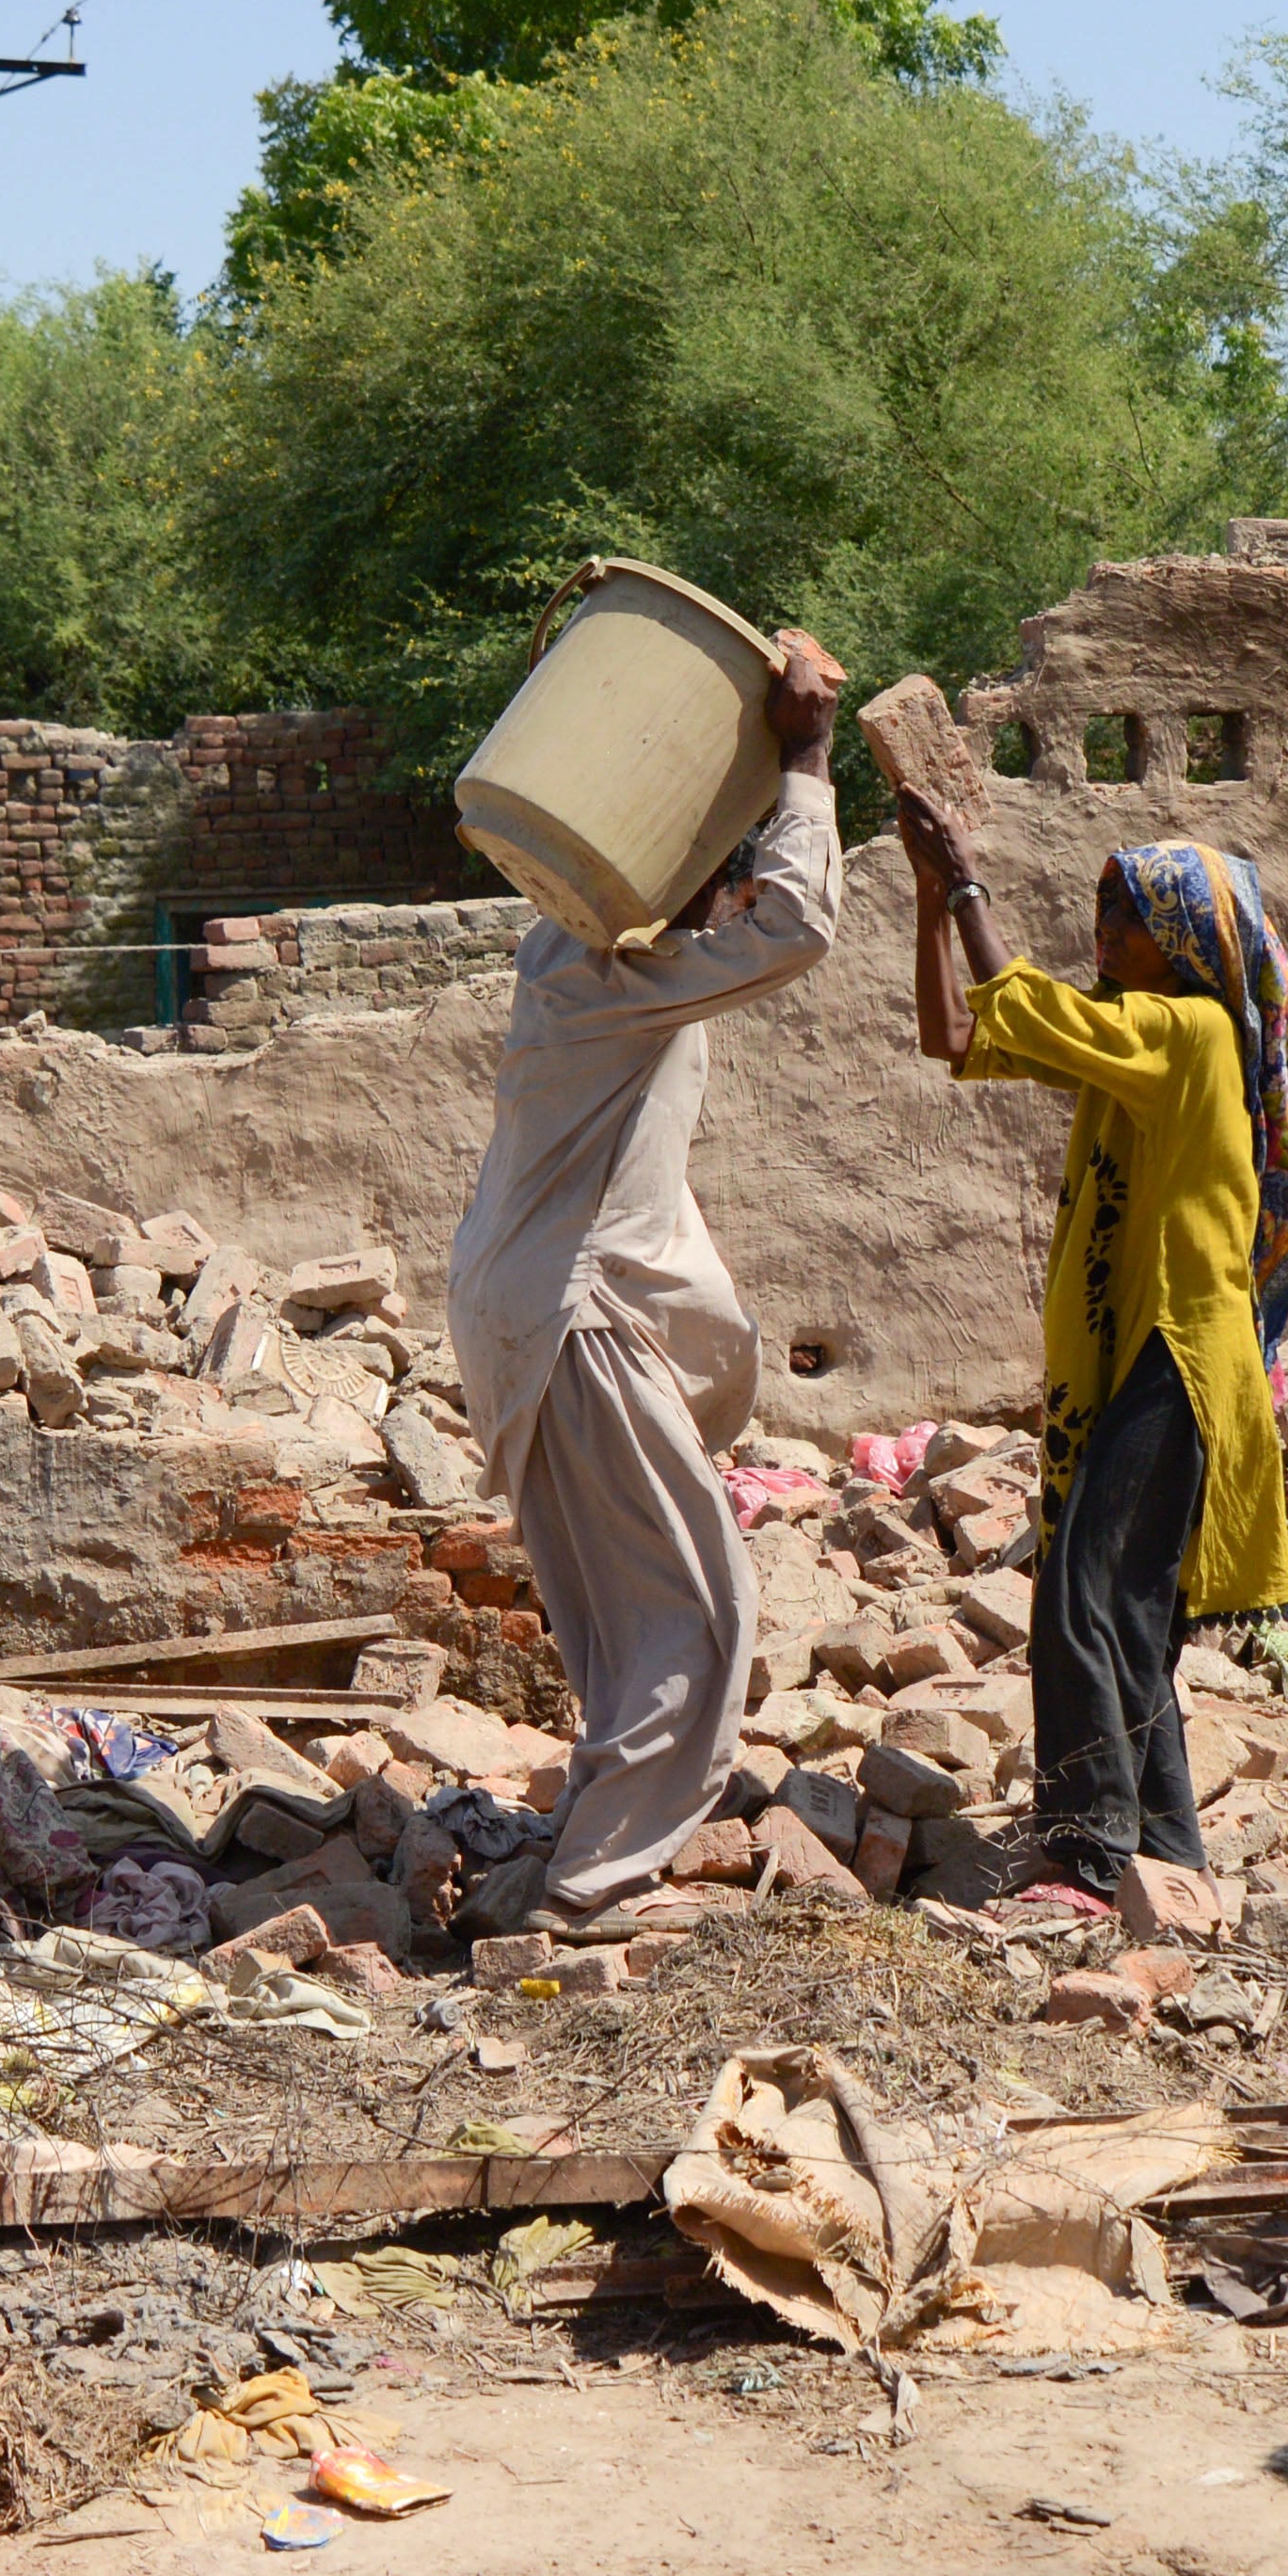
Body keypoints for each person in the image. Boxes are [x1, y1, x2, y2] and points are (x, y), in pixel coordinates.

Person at [893, 787, 1288, 1909]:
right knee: (1128, 1605)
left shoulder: (1188, 1033)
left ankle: (1091, 1849)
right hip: (1141, 1355)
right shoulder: (1130, 1040)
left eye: (1125, 919)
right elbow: (957, 1032)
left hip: (1180, 1350)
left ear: (1186, 941)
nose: (1102, 937)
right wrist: (930, 906)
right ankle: (1163, 1850)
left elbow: (1017, 1001)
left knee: (1082, 1586)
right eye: (1099, 915)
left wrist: (966, 883)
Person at [442, 629, 849, 1938]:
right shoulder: (609, 975)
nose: (727, 889)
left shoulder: (579, 961)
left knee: (624, 1599)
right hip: (573, 1317)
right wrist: (807, 762)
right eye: (709, 861)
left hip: (536, 1305)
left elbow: (743, 923)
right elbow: (796, 927)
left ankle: (596, 1829)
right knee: (699, 1602)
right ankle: (595, 1884)